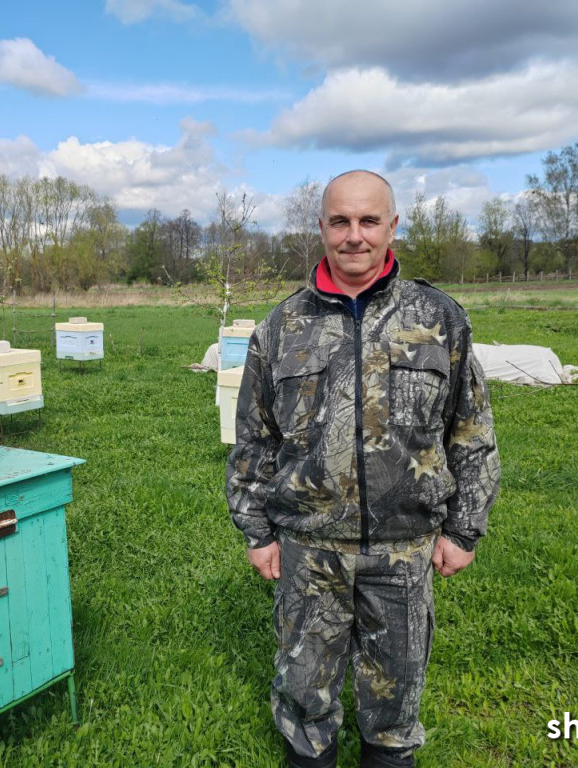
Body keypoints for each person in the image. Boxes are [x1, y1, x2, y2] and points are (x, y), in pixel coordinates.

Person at [226, 170, 500, 768]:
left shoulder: (440, 319)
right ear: (321, 227)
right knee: (304, 699)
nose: (355, 236)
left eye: (369, 221)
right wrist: (257, 531)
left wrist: (462, 529)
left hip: (404, 551)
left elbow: (471, 432)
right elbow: (253, 438)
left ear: (392, 226)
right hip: (307, 549)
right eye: (341, 221)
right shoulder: (280, 329)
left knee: (396, 704)